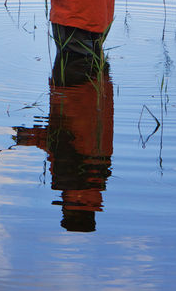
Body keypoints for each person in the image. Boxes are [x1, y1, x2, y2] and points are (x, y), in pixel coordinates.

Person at [13, 54, 114, 232]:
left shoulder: (99, 173)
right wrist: (30, 138)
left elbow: (66, 141)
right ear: (71, 205)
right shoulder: (72, 178)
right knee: (74, 45)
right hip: (74, 87)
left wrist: (33, 138)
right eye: (65, 208)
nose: (63, 203)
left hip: (95, 80)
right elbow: (62, 139)